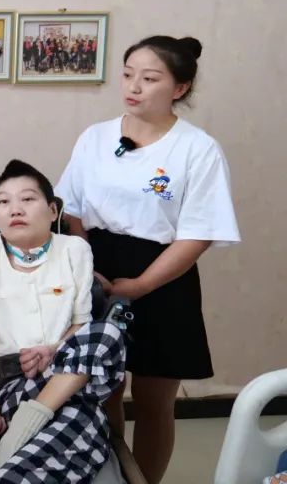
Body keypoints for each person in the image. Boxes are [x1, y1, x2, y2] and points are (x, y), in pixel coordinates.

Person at [56, 35, 239, 484]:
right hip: (95, 267)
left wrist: (140, 286)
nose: (134, 86)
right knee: (101, 390)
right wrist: (86, 267)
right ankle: (108, 475)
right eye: (127, 75)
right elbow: (69, 208)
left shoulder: (198, 148)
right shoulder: (95, 137)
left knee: (155, 400)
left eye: (150, 78)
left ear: (180, 87)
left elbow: (198, 233)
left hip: (163, 277)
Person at [0, 160, 126, 483]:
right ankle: (27, 428)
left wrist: (53, 349)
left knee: (108, 332)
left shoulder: (74, 250)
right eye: (4, 201)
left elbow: (81, 325)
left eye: (27, 199)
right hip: (14, 383)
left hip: (66, 367)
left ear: (53, 211)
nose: (15, 209)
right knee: (84, 417)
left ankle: (23, 432)